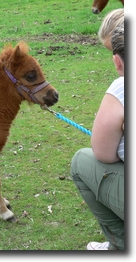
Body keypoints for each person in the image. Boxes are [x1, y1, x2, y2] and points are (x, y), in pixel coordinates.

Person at [70, 14, 124, 250]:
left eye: (115, 50)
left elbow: (104, 154)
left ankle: (121, 245)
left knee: (82, 160)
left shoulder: (123, 87)